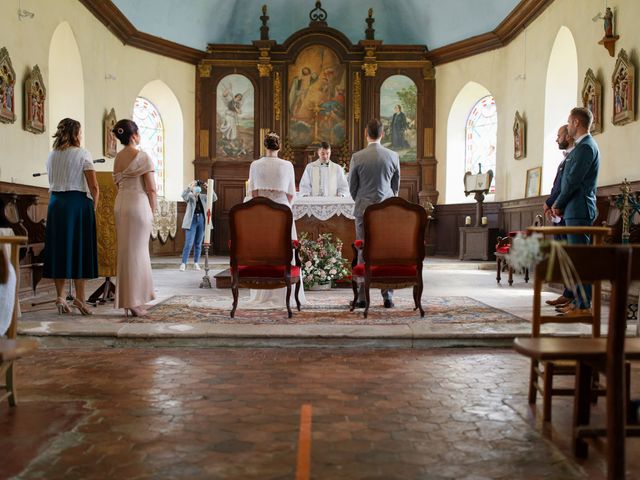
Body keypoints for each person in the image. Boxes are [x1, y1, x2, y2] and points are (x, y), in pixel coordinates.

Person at [43, 118, 99, 315]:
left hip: (56, 205)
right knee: (79, 251)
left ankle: (60, 297)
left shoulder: (51, 156)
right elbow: (94, 186)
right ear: (76, 134)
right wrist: (94, 206)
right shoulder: (83, 154)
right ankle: (80, 299)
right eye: (80, 132)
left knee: (60, 250)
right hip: (77, 204)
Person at [244, 131, 306, 308]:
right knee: (285, 249)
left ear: (265, 146)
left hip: (261, 212)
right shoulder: (287, 165)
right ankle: (286, 293)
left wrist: (262, 207)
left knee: (264, 250)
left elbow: (254, 193)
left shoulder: (255, 165)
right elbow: (291, 194)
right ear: (279, 146)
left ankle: (262, 290)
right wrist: (281, 205)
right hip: (282, 212)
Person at [552, 107, 600, 314]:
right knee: (574, 259)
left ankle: (583, 305)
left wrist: (558, 204)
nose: (568, 126)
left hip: (579, 209)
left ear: (576, 123)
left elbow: (572, 182)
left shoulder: (586, 148)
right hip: (573, 209)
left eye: (569, 122)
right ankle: (576, 301)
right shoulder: (582, 147)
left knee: (580, 259)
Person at [349, 118, 401, 308]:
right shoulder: (393, 156)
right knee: (386, 251)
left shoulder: (357, 157)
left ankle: (362, 296)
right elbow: (396, 187)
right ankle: (387, 296)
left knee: (363, 249)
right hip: (387, 210)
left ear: (366, 133)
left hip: (363, 210)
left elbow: (352, 187)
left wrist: (362, 200)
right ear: (383, 134)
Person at [112, 119, 157, 317]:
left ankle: (128, 300)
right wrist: (152, 211)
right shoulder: (142, 156)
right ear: (134, 135)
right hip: (138, 205)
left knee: (126, 252)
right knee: (138, 253)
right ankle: (134, 302)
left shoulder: (117, 158)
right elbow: (152, 188)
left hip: (121, 204)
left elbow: (117, 184)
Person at [544, 124, 575, 309]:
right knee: (563, 256)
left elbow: (568, 186)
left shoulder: (577, 155)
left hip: (566, 211)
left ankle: (574, 297)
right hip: (559, 212)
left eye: (559, 135)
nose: (556, 139)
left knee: (570, 256)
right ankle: (567, 293)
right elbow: (557, 187)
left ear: (568, 136)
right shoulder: (564, 160)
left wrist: (553, 204)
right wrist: (549, 202)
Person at [180, 180, 217, 271]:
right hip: (191, 220)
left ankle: (196, 263)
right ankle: (183, 263)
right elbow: (183, 195)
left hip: (201, 220)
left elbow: (214, 198)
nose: (197, 188)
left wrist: (208, 187)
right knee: (188, 243)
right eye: (195, 187)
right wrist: (190, 187)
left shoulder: (204, 197)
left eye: (197, 187)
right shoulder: (189, 197)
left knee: (198, 243)